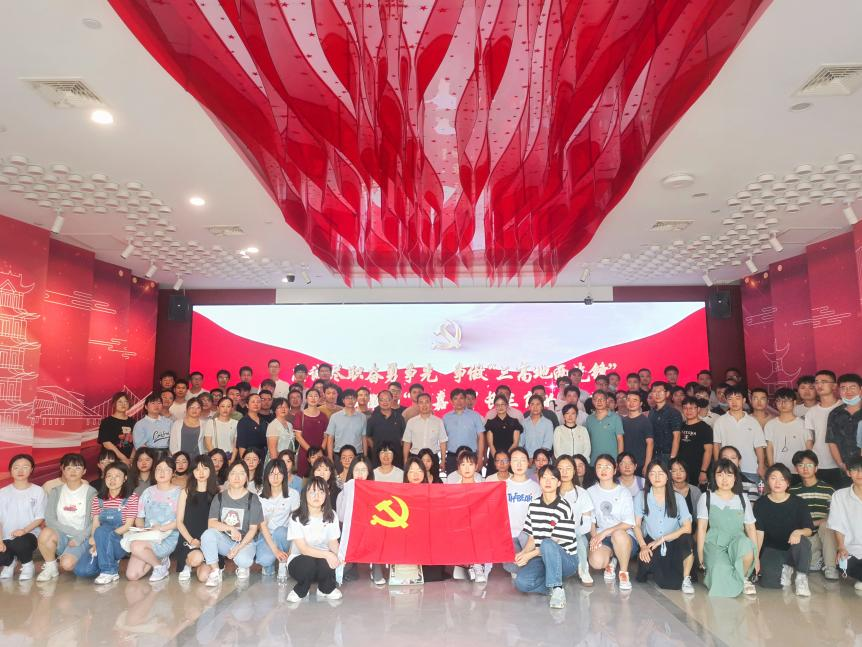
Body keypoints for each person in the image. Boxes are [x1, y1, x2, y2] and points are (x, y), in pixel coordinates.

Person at [513, 465, 580, 609]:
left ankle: (557, 588)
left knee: (547, 543)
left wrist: (529, 555)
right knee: (521, 583)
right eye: (544, 478)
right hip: (542, 557)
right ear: (539, 480)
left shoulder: (564, 507)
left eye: (553, 478)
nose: (548, 481)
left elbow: (552, 543)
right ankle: (552, 585)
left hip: (566, 560)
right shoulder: (533, 505)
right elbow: (532, 537)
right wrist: (523, 553)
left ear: (559, 483)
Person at [696, 458, 759, 597]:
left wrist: (757, 557)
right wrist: (700, 554)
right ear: (714, 477)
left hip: (737, 541)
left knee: (747, 547)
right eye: (720, 475)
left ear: (735, 478)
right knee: (720, 570)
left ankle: (743, 578)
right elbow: (702, 528)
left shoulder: (743, 498)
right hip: (715, 543)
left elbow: (750, 528)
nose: (725, 479)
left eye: (729, 475)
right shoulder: (706, 497)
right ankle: (730, 577)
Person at [753, 464, 814, 595]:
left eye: (782, 479)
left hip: (793, 547)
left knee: (802, 542)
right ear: (767, 480)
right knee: (770, 583)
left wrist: (798, 532)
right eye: (773, 478)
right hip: (771, 549)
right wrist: (756, 558)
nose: (778, 482)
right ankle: (786, 568)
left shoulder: (799, 503)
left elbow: (809, 529)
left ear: (788, 483)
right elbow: (759, 533)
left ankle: (801, 578)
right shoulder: (760, 504)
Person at [199, 461, 263, 586]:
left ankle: (243, 566)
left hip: (245, 542)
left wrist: (238, 548)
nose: (237, 477)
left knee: (243, 560)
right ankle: (215, 571)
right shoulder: (219, 497)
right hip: (225, 542)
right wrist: (230, 528)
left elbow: (253, 529)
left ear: (247, 477)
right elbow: (211, 524)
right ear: (228, 476)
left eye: (241, 473)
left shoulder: (253, 499)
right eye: (233, 473)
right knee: (207, 534)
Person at [633, 461, 694, 592]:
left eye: (661, 473)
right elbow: (636, 525)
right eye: (653, 473)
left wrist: (663, 539)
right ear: (648, 477)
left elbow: (687, 528)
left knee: (686, 539)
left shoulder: (678, 498)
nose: (657, 477)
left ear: (667, 476)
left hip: (673, 541)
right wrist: (643, 546)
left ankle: (686, 578)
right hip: (651, 542)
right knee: (647, 568)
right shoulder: (641, 496)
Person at [74, 462, 139, 583]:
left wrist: (107, 536)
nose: (112, 479)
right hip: (101, 537)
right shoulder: (98, 499)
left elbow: (128, 525)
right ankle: (108, 561)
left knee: (102, 531)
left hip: (120, 540)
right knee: (82, 571)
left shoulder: (131, 497)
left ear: (125, 478)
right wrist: (96, 541)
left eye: (117, 476)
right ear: (104, 477)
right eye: (109, 476)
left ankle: (109, 571)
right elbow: (95, 523)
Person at [36, 453, 96, 581]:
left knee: (67, 565)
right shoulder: (56, 491)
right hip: (62, 535)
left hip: (82, 537)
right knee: (45, 533)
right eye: (68, 468)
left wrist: (79, 537)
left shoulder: (91, 492)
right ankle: (51, 566)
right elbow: (50, 519)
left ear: (84, 471)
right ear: (62, 470)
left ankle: (80, 557)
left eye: (77, 468)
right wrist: (73, 532)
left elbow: (94, 522)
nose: (73, 471)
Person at [286, 476, 343, 602]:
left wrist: (340, 555)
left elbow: (332, 542)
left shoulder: (331, 515)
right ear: (305, 494)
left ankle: (325, 588)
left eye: (321, 492)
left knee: (328, 561)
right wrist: (327, 554)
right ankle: (301, 589)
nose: (317, 496)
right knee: (309, 563)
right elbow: (304, 549)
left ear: (326, 495)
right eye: (312, 492)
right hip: (299, 560)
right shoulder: (296, 517)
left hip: (322, 560)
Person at [587, 454, 637, 590]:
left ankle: (623, 572)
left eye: (607, 467)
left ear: (615, 470)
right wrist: (595, 538)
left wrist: (605, 533)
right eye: (599, 466)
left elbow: (629, 522)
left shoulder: (623, 492)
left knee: (618, 534)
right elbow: (590, 520)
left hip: (625, 537)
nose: (603, 470)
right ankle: (612, 559)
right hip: (602, 537)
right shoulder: (590, 492)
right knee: (597, 562)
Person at [789, 450, 839, 579]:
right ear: (796, 469)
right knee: (810, 565)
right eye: (801, 465)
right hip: (806, 536)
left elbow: (835, 517)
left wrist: (814, 523)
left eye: (809, 465)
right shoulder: (793, 492)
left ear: (816, 468)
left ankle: (830, 567)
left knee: (826, 525)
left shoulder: (829, 490)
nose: (805, 468)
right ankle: (818, 558)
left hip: (826, 534)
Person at [336, 456, 385, 585]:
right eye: (356, 470)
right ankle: (351, 565)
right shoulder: (343, 492)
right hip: (351, 533)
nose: (360, 473)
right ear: (351, 472)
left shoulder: (377, 493)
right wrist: (348, 493)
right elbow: (341, 517)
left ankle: (376, 566)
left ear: (369, 473)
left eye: (363, 470)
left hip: (371, 532)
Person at [0, 454, 46, 581]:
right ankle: (9, 563)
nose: (20, 471)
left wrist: (24, 530)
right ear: (10, 470)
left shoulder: (38, 491)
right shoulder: (2, 492)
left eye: (25, 467)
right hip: (5, 536)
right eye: (16, 467)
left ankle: (27, 565)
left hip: (29, 535)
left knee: (20, 542)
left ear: (31, 469)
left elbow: (40, 517)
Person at [176, 455, 220, 582]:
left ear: (210, 470)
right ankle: (187, 565)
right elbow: (179, 522)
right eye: (197, 469)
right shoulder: (185, 492)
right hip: (189, 540)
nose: (201, 473)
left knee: (204, 577)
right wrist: (191, 540)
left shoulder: (217, 494)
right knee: (196, 558)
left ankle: (202, 564)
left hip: (209, 541)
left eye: (205, 469)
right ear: (193, 472)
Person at [256, 459, 300, 580]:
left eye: (279, 474)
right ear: (266, 476)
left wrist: (291, 551)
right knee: (264, 560)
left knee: (280, 531)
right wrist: (275, 551)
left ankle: (283, 563)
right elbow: (262, 526)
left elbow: (296, 523)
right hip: (266, 535)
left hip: (284, 535)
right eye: (272, 473)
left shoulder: (293, 494)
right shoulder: (260, 496)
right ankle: (271, 562)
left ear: (284, 475)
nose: (275, 478)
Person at [712, 386, 767, 482]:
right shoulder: (720, 421)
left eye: (737, 398)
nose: (734, 402)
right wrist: (718, 466)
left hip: (750, 468)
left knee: (752, 491)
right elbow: (716, 445)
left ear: (744, 400)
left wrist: (761, 466)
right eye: (730, 399)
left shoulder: (753, 422)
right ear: (726, 401)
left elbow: (759, 446)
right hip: (727, 469)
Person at [556, 455, 594, 585]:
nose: (564, 472)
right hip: (554, 534)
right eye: (560, 469)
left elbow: (587, 524)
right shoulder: (550, 492)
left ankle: (583, 569)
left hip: (576, 533)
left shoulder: (582, 493)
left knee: (580, 539)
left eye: (568, 468)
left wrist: (570, 533)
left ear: (574, 471)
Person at [827, 455, 862, 591]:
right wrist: (841, 547)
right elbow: (837, 525)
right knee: (844, 564)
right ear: (848, 472)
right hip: (851, 551)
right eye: (855, 470)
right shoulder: (839, 496)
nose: (859, 474)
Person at [804, 370, 843, 487]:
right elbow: (809, 439)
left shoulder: (844, 407)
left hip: (842, 463)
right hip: (820, 463)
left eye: (824, 381)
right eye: (816, 382)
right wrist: (811, 460)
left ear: (834, 386)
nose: (819, 385)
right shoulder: (811, 412)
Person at [825, 373, 862, 487]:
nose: (848, 391)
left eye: (852, 387)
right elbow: (831, 442)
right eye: (843, 388)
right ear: (839, 391)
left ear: (861, 389)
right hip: (845, 470)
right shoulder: (835, 414)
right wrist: (841, 464)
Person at [764, 388, 809, 472]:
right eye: (779, 401)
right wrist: (772, 468)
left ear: (794, 403)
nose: (782, 404)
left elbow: (809, 447)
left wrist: (808, 468)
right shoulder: (770, 425)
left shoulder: (803, 424)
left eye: (787, 400)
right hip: (779, 471)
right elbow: (769, 448)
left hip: (801, 470)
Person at [442, 389, 486, 473]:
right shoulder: (446, 418)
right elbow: (443, 440)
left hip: (471, 456)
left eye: (461, 398)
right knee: (452, 481)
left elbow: (481, 437)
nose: (459, 401)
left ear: (465, 399)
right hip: (452, 457)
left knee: (473, 481)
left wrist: (480, 458)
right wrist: (443, 460)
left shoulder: (475, 416)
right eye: (455, 398)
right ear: (451, 401)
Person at [402, 393, 447, 466]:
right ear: (418, 405)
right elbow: (407, 442)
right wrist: (405, 460)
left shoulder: (438, 421)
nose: (424, 405)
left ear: (431, 404)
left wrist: (443, 460)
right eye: (421, 402)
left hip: (433, 458)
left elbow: (443, 442)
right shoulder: (411, 422)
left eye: (427, 402)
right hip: (415, 457)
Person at [365, 390, 406, 469]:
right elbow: (368, 437)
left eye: (387, 399)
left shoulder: (399, 418)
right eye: (382, 400)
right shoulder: (372, 419)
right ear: (378, 401)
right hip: (377, 456)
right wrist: (376, 447)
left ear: (392, 400)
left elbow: (404, 436)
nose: (385, 402)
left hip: (396, 456)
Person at [678, 396, 713, 487]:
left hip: (697, 470)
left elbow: (708, 451)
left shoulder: (705, 428)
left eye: (691, 408)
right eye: (685, 408)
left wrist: (703, 471)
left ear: (698, 409)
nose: (688, 411)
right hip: (680, 469)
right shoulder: (680, 426)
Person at [325, 389, 367, 463]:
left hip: (357, 454)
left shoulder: (362, 417)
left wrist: (365, 456)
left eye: (353, 398)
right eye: (347, 398)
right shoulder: (334, 417)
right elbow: (330, 438)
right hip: (339, 454)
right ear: (343, 400)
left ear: (356, 400)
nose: (350, 400)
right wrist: (330, 457)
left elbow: (364, 438)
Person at [295, 388, 328, 476]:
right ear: (306, 399)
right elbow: (298, 436)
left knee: (320, 476)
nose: (313, 398)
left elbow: (326, 436)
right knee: (303, 478)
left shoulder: (323, 416)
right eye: (310, 396)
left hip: (320, 454)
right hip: (304, 453)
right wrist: (311, 452)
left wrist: (320, 452)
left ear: (319, 398)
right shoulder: (300, 415)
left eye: (316, 396)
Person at [585, 391, 624, 465]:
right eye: (596, 399)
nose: (599, 402)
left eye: (602, 399)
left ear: (607, 401)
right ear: (593, 401)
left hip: (612, 461)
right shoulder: (589, 419)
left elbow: (620, 439)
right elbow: (587, 440)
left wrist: (619, 460)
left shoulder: (615, 417)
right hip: (594, 461)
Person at [648, 382, 682, 466]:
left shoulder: (673, 413)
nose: (657, 394)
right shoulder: (651, 413)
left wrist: (672, 458)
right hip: (653, 454)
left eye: (660, 391)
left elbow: (677, 437)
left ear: (667, 394)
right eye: (654, 391)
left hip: (667, 454)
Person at [620, 391, 653, 474]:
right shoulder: (622, 421)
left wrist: (647, 465)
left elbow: (650, 444)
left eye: (635, 400)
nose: (631, 403)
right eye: (628, 400)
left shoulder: (645, 421)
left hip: (640, 464)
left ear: (641, 403)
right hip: (625, 463)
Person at [98, 392, 134, 465]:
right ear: (114, 404)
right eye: (120, 402)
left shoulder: (133, 422)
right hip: (111, 461)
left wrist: (132, 459)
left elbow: (136, 443)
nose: (123, 404)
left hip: (129, 461)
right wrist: (124, 458)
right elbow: (106, 443)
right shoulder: (107, 421)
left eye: (126, 402)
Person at [521, 395, 554, 459]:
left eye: (538, 404)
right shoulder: (524, 423)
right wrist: (526, 458)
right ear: (529, 407)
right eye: (532, 404)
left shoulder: (548, 423)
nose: (535, 407)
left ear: (542, 407)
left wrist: (535, 459)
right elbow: (520, 443)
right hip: (526, 459)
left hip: (542, 459)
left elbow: (547, 444)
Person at [237, 393, 267, 458]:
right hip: (249, 457)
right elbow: (241, 445)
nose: (256, 404)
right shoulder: (243, 422)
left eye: (258, 402)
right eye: (253, 402)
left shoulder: (264, 422)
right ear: (247, 405)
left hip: (262, 456)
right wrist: (244, 460)